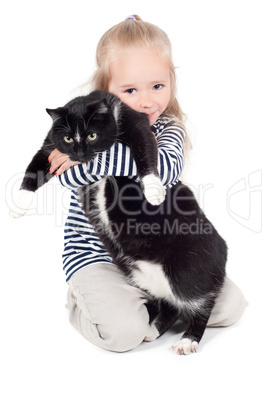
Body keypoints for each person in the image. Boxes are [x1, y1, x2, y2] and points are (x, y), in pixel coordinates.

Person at [48, 15, 247, 352]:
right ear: (104, 90)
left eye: (157, 86)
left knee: (230, 306)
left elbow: (165, 170)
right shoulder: (86, 131)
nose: (146, 101)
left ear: (171, 82)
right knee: (124, 334)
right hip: (99, 259)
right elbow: (69, 175)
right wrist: (89, 151)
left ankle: (157, 302)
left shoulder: (170, 129)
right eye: (130, 90)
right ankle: (88, 300)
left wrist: (95, 156)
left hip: (155, 257)